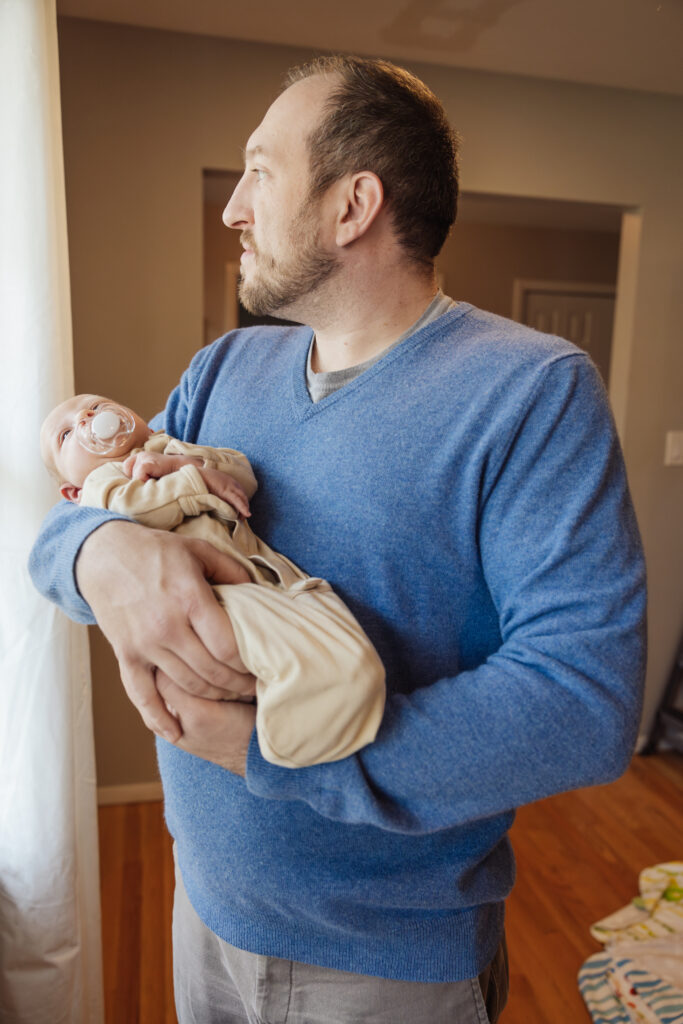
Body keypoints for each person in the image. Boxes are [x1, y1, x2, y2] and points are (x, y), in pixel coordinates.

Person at [29, 54, 646, 1024]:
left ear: (351, 203)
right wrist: (101, 555)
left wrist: (279, 753)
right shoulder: (225, 365)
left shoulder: (529, 389)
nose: (233, 208)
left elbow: (580, 701)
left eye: (260, 171)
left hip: (384, 964)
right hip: (209, 911)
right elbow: (83, 513)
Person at [39, 393, 385, 768]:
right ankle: (289, 742)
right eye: (66, 434)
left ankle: (318, 724)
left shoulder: (170, 443)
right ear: (72, 494)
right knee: (312, 661)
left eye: (95, 405)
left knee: (338, 641)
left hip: (267, 578)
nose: (87, 416)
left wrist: (180, 461)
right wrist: (194, 477)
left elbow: (240, 475)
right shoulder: (103, 482)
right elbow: (134, 506)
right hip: (213, 598)